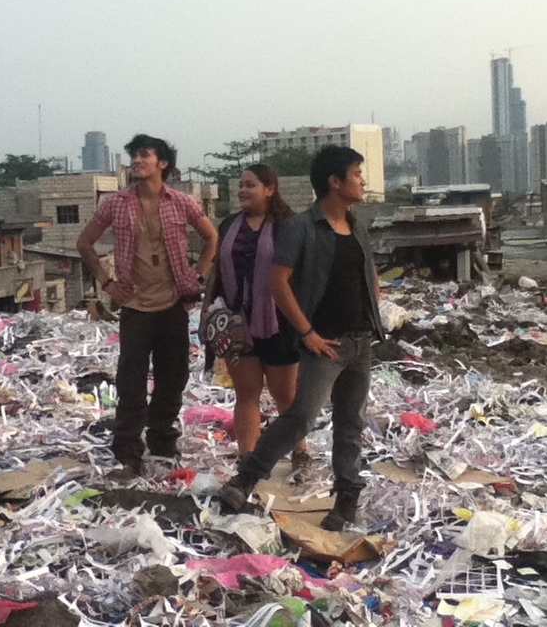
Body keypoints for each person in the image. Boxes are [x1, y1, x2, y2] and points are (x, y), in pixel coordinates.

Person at [218, 145, 385, 531]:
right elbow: (278, 283)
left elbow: (369, 275)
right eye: (357, 174)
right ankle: (245, 479)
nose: (362, 181)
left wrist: (373, 314)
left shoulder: (356, 225)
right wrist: (307, 332)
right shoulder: (300, 228)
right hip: (324, 344)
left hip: (360, 342)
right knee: (299, 418)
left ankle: (345, 502)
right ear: (335, 181)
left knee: (351, 424)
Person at [77, 134, 218, 476]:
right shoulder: (116, 203)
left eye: (144, 155)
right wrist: (108, 283)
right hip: (136, 308)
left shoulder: (181, 202)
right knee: (131, 383)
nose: (137, 162)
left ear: (162, 163)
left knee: (172, 380)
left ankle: (163, 445)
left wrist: (197, 276)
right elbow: (85, 242)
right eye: (134, 156)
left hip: (172, 305)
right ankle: (127, 451)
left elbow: (212, 237)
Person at [203, 165, 308, 464]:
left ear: (270, 189)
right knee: (246, 394)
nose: (242, 191)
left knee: (285, 397)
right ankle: (247, 461)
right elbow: (216, 273)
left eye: (250, 185)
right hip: (237, 324)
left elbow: (299, 275)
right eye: (241, 185)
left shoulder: (290, 226)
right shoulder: (229, 225)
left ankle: (299, 452)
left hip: (281, 323)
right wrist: (206, 313)